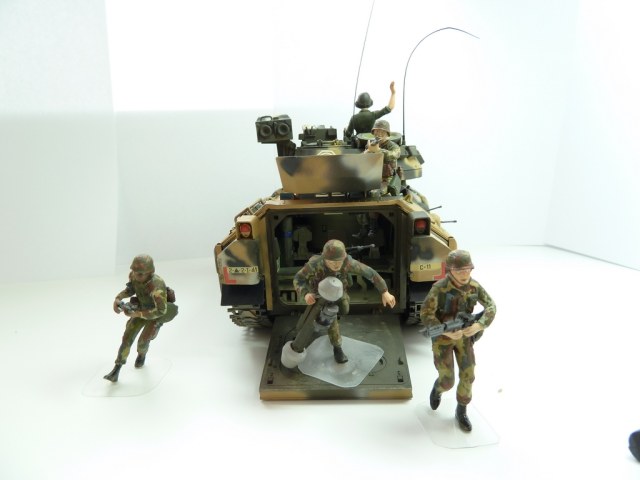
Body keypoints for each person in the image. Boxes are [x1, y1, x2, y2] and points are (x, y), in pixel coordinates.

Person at [283, 239, 396, 366]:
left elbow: (370, 272)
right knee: (328, 317)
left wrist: (384, 291)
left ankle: (328, 322)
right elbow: (298, 278)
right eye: (332, 262)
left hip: (339, 292)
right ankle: (337, 347)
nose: (336, 265)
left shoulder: (348, 262)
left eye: (339, 262)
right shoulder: (315, 263)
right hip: (319, 294)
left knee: (344, 309)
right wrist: (305, 294)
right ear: (324, 259)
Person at [419, 249, 496, 432]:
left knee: (468, 375)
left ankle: (461, 410)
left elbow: (491, 306)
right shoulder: (439, 288)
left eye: (468, 269)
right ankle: (438, 389)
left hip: (465, 336)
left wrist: (479, 325)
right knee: (447, 381)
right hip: (443, 338)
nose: (465, 274)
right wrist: (445, 331)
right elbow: (426, 314)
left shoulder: (474, 286)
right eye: (460, 270)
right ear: (450, 270)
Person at [103, 254, 178, 382]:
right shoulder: (134, 276)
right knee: (127, 337)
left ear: (150, 273)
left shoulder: (156, 285)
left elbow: (161, 310)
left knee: (143, 341)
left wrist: (138, 314)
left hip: (154, 315)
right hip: (140, 309)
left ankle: (142, 355)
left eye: (141, 273)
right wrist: (118, 298)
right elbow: (130, 290)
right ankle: (117, 368)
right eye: (134, 271)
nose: (136, 275)